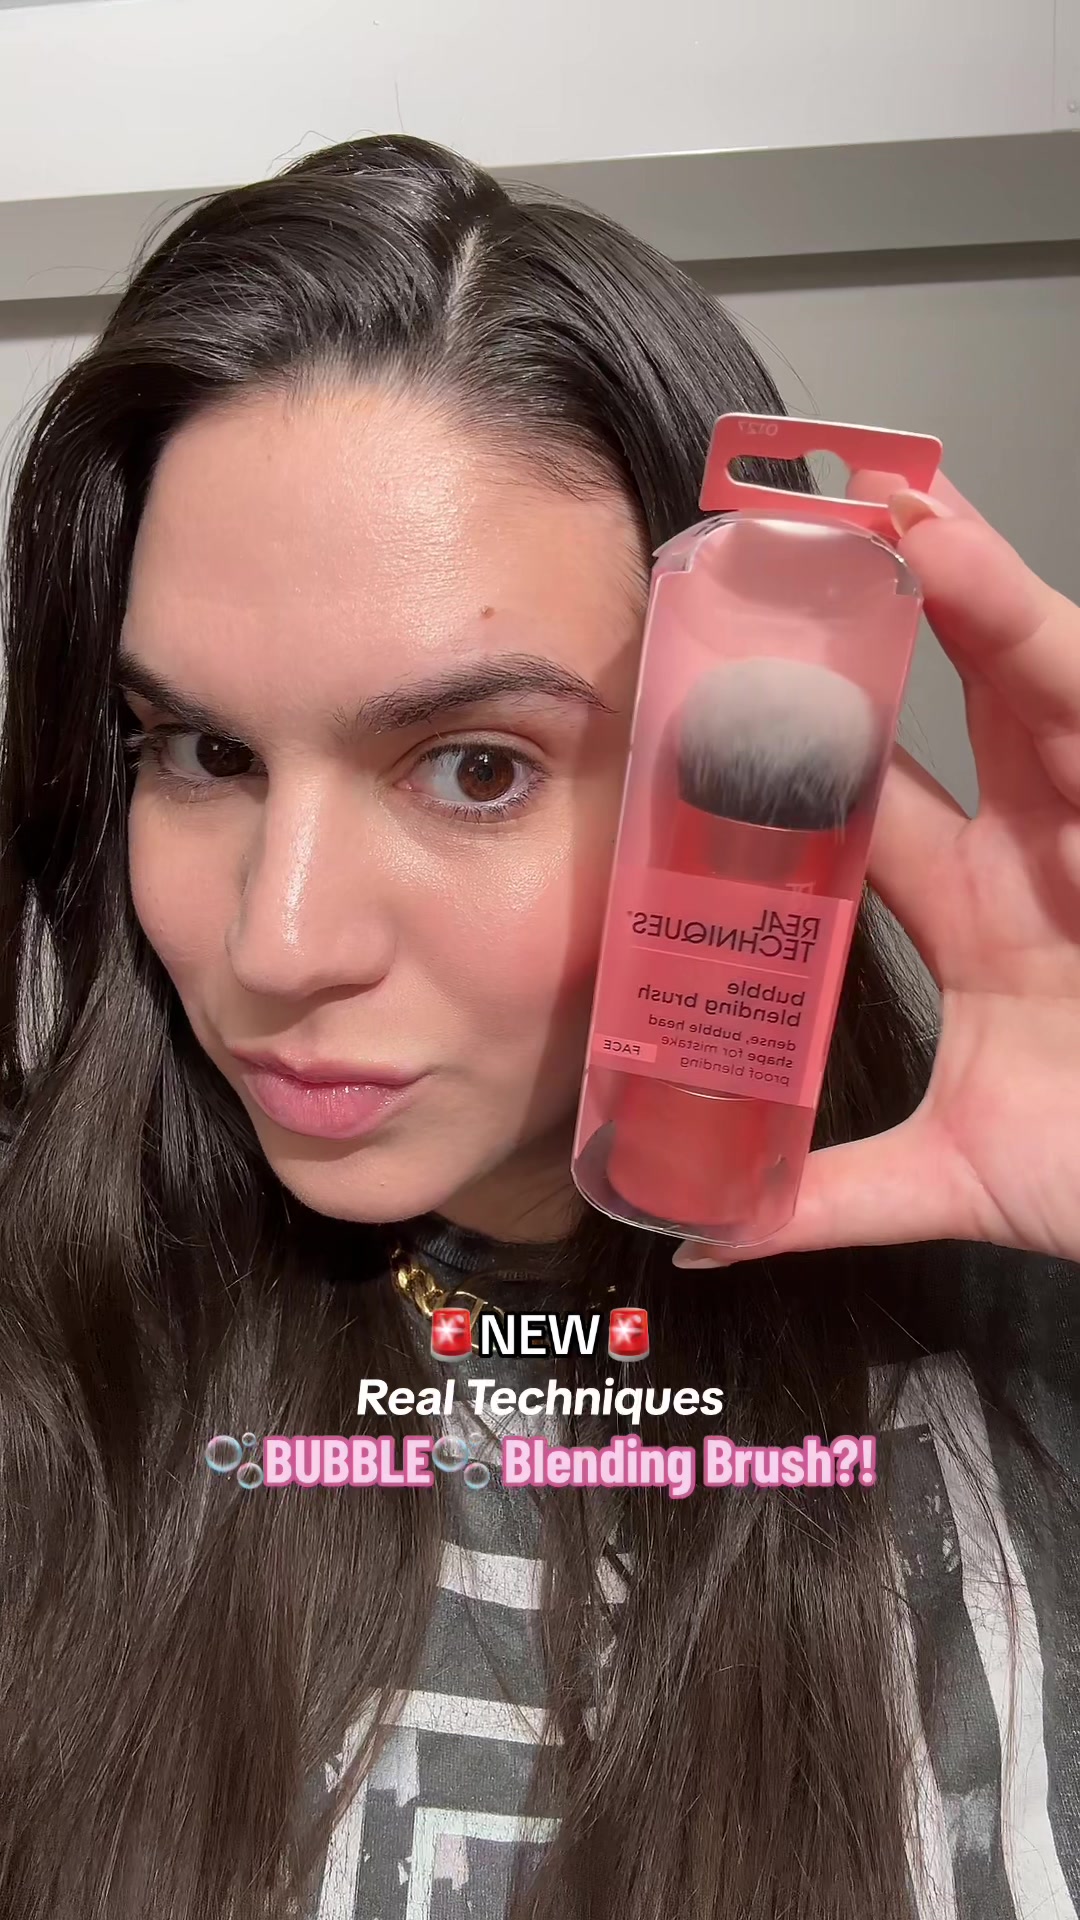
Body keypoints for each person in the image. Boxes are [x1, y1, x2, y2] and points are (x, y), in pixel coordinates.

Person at [0, 130, 1077, 1920]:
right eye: (203, 751)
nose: (276, 943)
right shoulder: (51, 1343)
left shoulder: (1024, 1367)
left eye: (476, 767)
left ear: (750, 778)